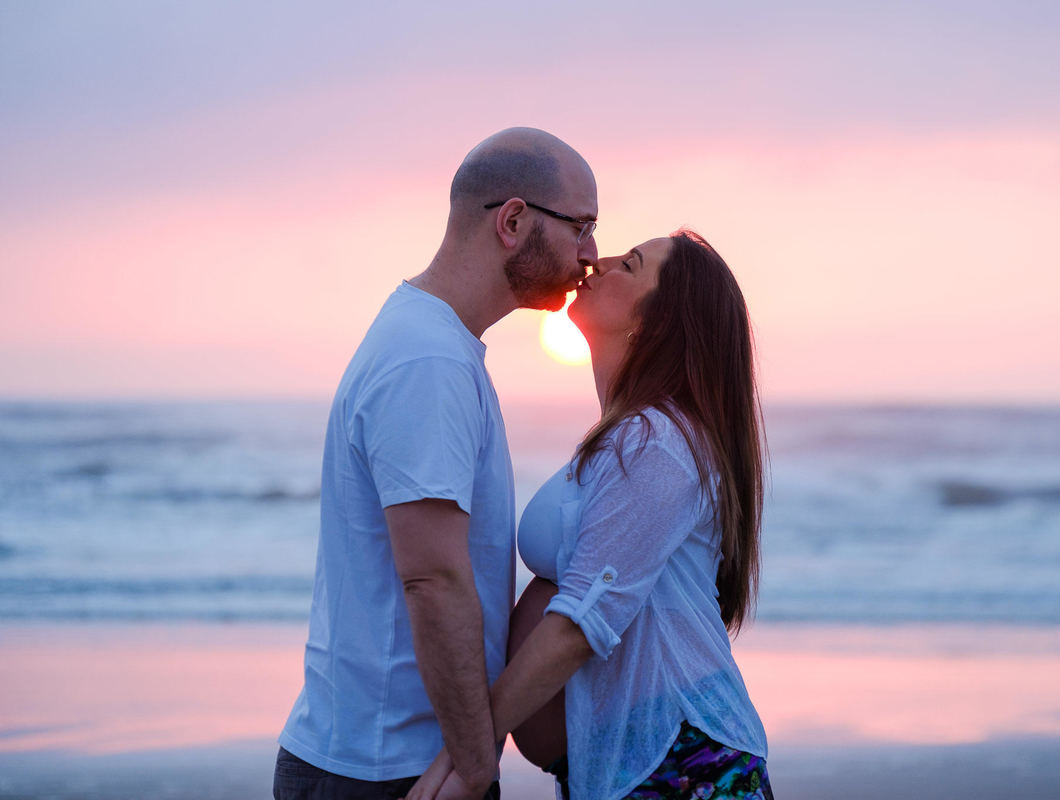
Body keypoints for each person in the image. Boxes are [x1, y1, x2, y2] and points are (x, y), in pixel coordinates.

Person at [274, 127, 599, 800]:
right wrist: (476, 768)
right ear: (513, 221)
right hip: (386, 770)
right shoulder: (429, 360)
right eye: (581, 227)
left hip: (389, 759)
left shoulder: (435, 343)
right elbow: (433, 579)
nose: (591, 255)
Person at [408, 231, 772, 800]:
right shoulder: (637, 435)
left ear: (658, 322)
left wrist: (463, 761)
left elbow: (581, 623)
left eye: (629, 264)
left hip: (681, 765)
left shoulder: (655, 441)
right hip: (637, 760)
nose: (596, 263)